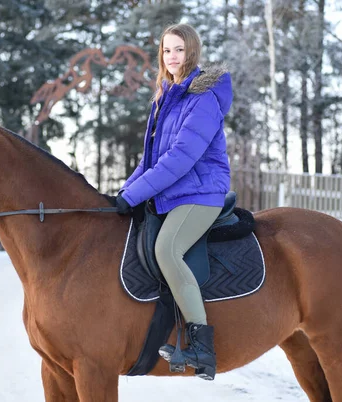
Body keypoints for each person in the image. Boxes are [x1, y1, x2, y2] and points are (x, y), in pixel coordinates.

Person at [115, 23, 232, 380]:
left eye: (179, 49)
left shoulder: (203, 97)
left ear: (191, 52)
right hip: (174, 191)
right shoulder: (165, 96)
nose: (172, 57)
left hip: (201, 191)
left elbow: (182, 157)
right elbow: (149, 161)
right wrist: (123, 193)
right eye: (166, 50)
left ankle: (201, 345)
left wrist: (137, 193)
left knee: (168, 249)